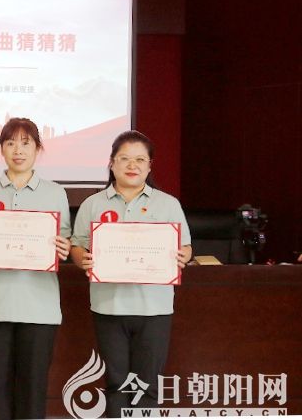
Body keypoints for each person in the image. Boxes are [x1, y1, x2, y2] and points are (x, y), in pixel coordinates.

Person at [70, 130, 192, 418]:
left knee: (147, 386)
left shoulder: (168, 204)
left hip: (154, 308)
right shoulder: (93, 204)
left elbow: (186, 247)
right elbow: (77, 246)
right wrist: (82, 259)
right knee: (116, 384)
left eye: (140, 159)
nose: (132, 165)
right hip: (108, 306)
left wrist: (184, 255)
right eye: (124, 158)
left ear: (149, 166)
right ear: (112, 163)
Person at [0, 117, 72, 420]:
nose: (18, 150)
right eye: (10, 143)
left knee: (33, 389)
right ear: (1, 149)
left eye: (25, 143)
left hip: (39, 308)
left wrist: (63, 248)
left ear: (38, 149)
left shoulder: (55, 193)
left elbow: (64, 241)